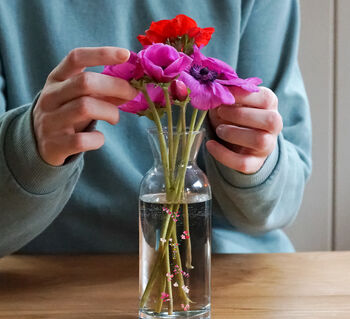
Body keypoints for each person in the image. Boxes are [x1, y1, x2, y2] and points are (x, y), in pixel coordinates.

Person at [0, 0, 311, 255]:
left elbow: (285, 201)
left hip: (232, 278)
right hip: (50, 283)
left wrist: (254, 156)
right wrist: (30, 147)